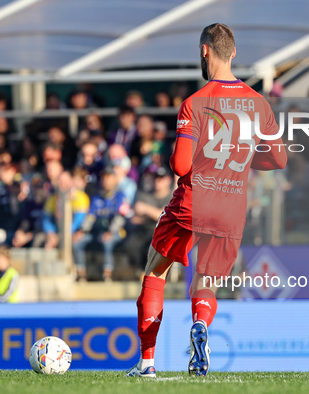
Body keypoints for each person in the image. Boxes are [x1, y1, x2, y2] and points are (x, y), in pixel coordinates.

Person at [125, 23, 287, 378]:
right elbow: (278, 159)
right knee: (206, 281)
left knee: (155, 272)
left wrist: (181, 159)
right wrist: (242, 159)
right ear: (233, 54)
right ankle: (200, 326)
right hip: (230, 207)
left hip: (194, 201)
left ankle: (147, 363)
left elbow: (182, 164)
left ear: (204, 52)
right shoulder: (258, 103)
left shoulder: (195, 104)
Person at [74, 166, 130, 281]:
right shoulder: (96, 197)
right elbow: (90, 217)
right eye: (103, 177)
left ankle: (107, 275)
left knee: (107, 241)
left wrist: (110, 232)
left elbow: (121, 218)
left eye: (108, 177)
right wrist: (82, 231)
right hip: (98, 232)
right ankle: (81, 274)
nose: (105, 180)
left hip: (118, 232)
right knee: (77, 242)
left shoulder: (121, 196)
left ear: (115, 179)